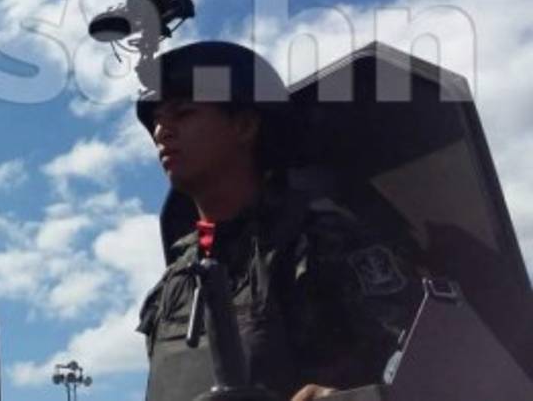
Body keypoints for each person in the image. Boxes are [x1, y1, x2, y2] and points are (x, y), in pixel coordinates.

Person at [133, 41, 423, 401]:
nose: (162, 131)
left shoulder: (321, 241)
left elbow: (428, 369)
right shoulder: (170, 288)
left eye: (184, 113)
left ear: (244, 126)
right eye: (157, 121)